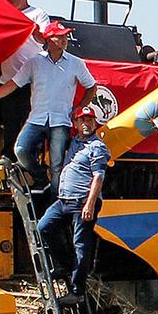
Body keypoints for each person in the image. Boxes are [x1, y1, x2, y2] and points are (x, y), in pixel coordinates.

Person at [0, 20, 96, 191]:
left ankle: (55, 201)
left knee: (56, 164)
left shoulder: (76, 63)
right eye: (59, 36)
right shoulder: (34, 62)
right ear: (48, 40)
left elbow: (91, 86)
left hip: (61, 120)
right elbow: (13, 84)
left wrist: (79, 109)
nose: (64, 39)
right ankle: (40, 177)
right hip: (37, 118)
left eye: (65, 36)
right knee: (21, 149)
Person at [36, 104, 109, 293]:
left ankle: (77, 291)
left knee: (81, 244)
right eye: (83, 120)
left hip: (83, 201)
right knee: (44, 227)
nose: (87, 124)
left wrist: (90, 204)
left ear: (95, 124)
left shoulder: (97, 147)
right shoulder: (74, 142)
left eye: (90, 120)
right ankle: (67, 265)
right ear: (76, 123)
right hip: (64, 199)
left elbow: (99, 177)